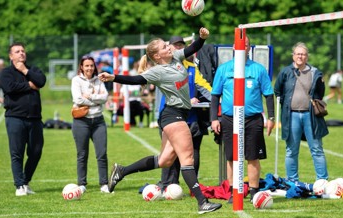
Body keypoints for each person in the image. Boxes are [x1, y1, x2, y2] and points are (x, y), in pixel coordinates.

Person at [99, 27, 222, 214]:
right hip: (173, 115)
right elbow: (135, 79)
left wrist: (202, 38)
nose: (169, 47)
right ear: (157, 56)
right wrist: (113, 77)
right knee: (187, 158)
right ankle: (202, 202)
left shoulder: (176, 58)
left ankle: (122, 171)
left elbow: (191, 48)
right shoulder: (157, 71)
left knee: (164, 160)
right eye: (165, 46)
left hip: (175, 114)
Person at [210, 36, 275, 203]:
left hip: (253, 119)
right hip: (229, 118)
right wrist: (214, 119)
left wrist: (272, 117)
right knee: (232, 157)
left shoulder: (258, 69)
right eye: (240, 45)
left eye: (245, 45)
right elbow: (215, 95)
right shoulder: (224, 69)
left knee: (252, 156)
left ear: (249, 48)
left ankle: (254, 191)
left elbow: (268, 94)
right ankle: (234, 191)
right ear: (233, 47)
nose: (242, 48)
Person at [156, 35, 212, 190]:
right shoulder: (164, 67)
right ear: (169, 48)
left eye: (182, 45)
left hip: (191, 118)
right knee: (169, 155)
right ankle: (168, 185)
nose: (180, 48)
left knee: (193, 153)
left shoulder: (192, 68)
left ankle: (192, 187)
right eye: (176, 46)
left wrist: (219, 98)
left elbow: (205, 88)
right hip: (170, 118)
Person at [274, 42, 329, 183]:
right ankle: (292, 181)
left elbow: (320, 92)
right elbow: (277, 90)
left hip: (310, 116)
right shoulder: (285, 72)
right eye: (298, 53)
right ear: (293, 56)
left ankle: (322, 181)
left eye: (303, 54)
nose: (300, 56)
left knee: (317, 149)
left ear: (307, 57)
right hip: (291, 116)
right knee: (291, 150)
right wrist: (286, 105)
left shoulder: (315, 73)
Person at [0, 42, 46, 196]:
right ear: (11, 56)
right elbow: (9, 88)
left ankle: (25, 181)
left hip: (35, 118)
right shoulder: (6, 73)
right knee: (17, 153)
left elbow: (41, 82)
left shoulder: (33, 69)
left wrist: (25, 71)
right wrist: (29, 85)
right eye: (17, 51)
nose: (21, 53)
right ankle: (19, 185)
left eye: (23, 51)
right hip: (15, 118)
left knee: (36, 151)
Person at [71, 56, 111, 193]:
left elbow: (105, 97)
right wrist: (96, 100)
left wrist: (90, 97)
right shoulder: (76, 80)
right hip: (81, 122)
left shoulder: (99, 80)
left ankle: (104, 184)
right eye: (86, 66)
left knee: (102, 154)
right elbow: (77, 98)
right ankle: (82, 184)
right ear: (81, 67)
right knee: (82, 154)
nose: (89, 68)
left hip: (99, 121)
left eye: (91, 66)